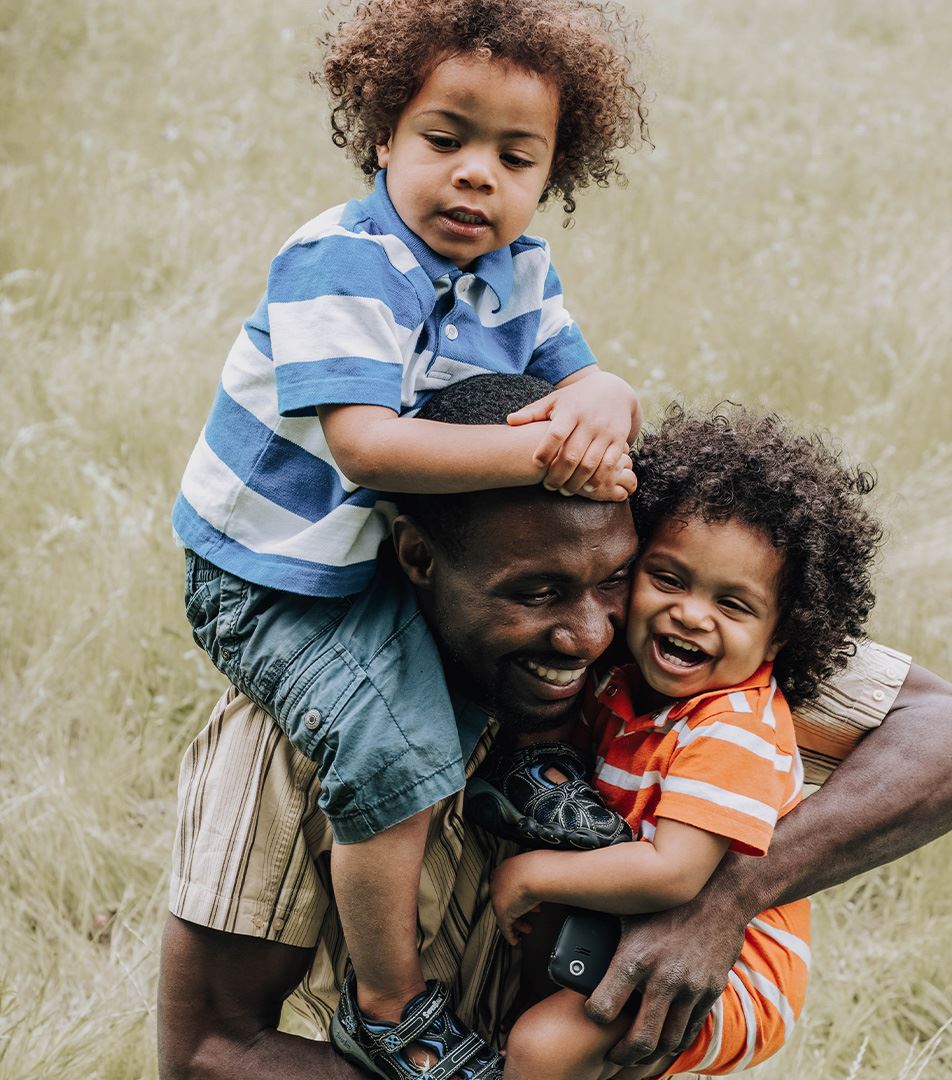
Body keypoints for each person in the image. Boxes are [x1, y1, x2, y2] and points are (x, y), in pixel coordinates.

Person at [158, 375, 952, 1080]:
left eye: (612, 579)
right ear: (417, 559)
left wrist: (721, 899)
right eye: (535, 594)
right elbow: (209, 1052)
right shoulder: (302, 731)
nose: (585, 635)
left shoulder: (677, 646)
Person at [170, 1, 647, 1070]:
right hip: (274, 574)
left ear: (552, 172)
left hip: (377, 559)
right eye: (446, 139)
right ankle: (388, 1005)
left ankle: (517, 765)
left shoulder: (519, 270)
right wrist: (550, 453)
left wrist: (607, 396)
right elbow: (370, 447)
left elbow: (577, 379)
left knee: (503, 622)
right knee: (395, 747)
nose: (477, 175)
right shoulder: (342, 259)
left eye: (516, 157)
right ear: (383, 135)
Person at [493, 406, 882, 1078]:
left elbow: (672, 871)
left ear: (781, 635)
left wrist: (528, 875)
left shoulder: (732, 726)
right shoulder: (625, 680)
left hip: (733, 972)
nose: (691, 614)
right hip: (634, 919)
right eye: (668, 579)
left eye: (733, 604)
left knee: (542, 1048)